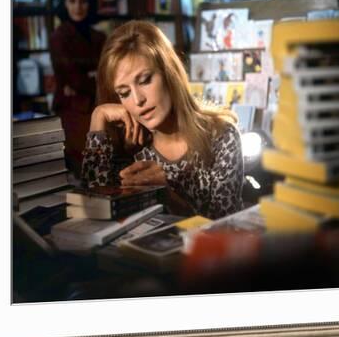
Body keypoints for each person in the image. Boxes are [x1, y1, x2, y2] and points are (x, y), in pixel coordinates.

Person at [81, 20, 244, 219]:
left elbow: (224, 229)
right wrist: (97, 118)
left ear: (169, 73)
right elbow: (92, 214)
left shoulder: (221, 137)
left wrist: (166, 194)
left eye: (145, 80)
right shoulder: (128, 146)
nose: (138, 100)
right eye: (124, 93)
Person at [49, 0, 106, 177]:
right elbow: (73, 78)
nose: (78, 6)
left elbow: (108, 73)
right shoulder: (59, 36)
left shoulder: (99, 36)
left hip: (95, 104)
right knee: (85, 164)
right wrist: (94, 77)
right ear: (64, 4)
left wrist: (92, 78)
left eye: (83, 1)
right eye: (72, 1)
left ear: (89, 4)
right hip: (72, 109)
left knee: (104, 161)